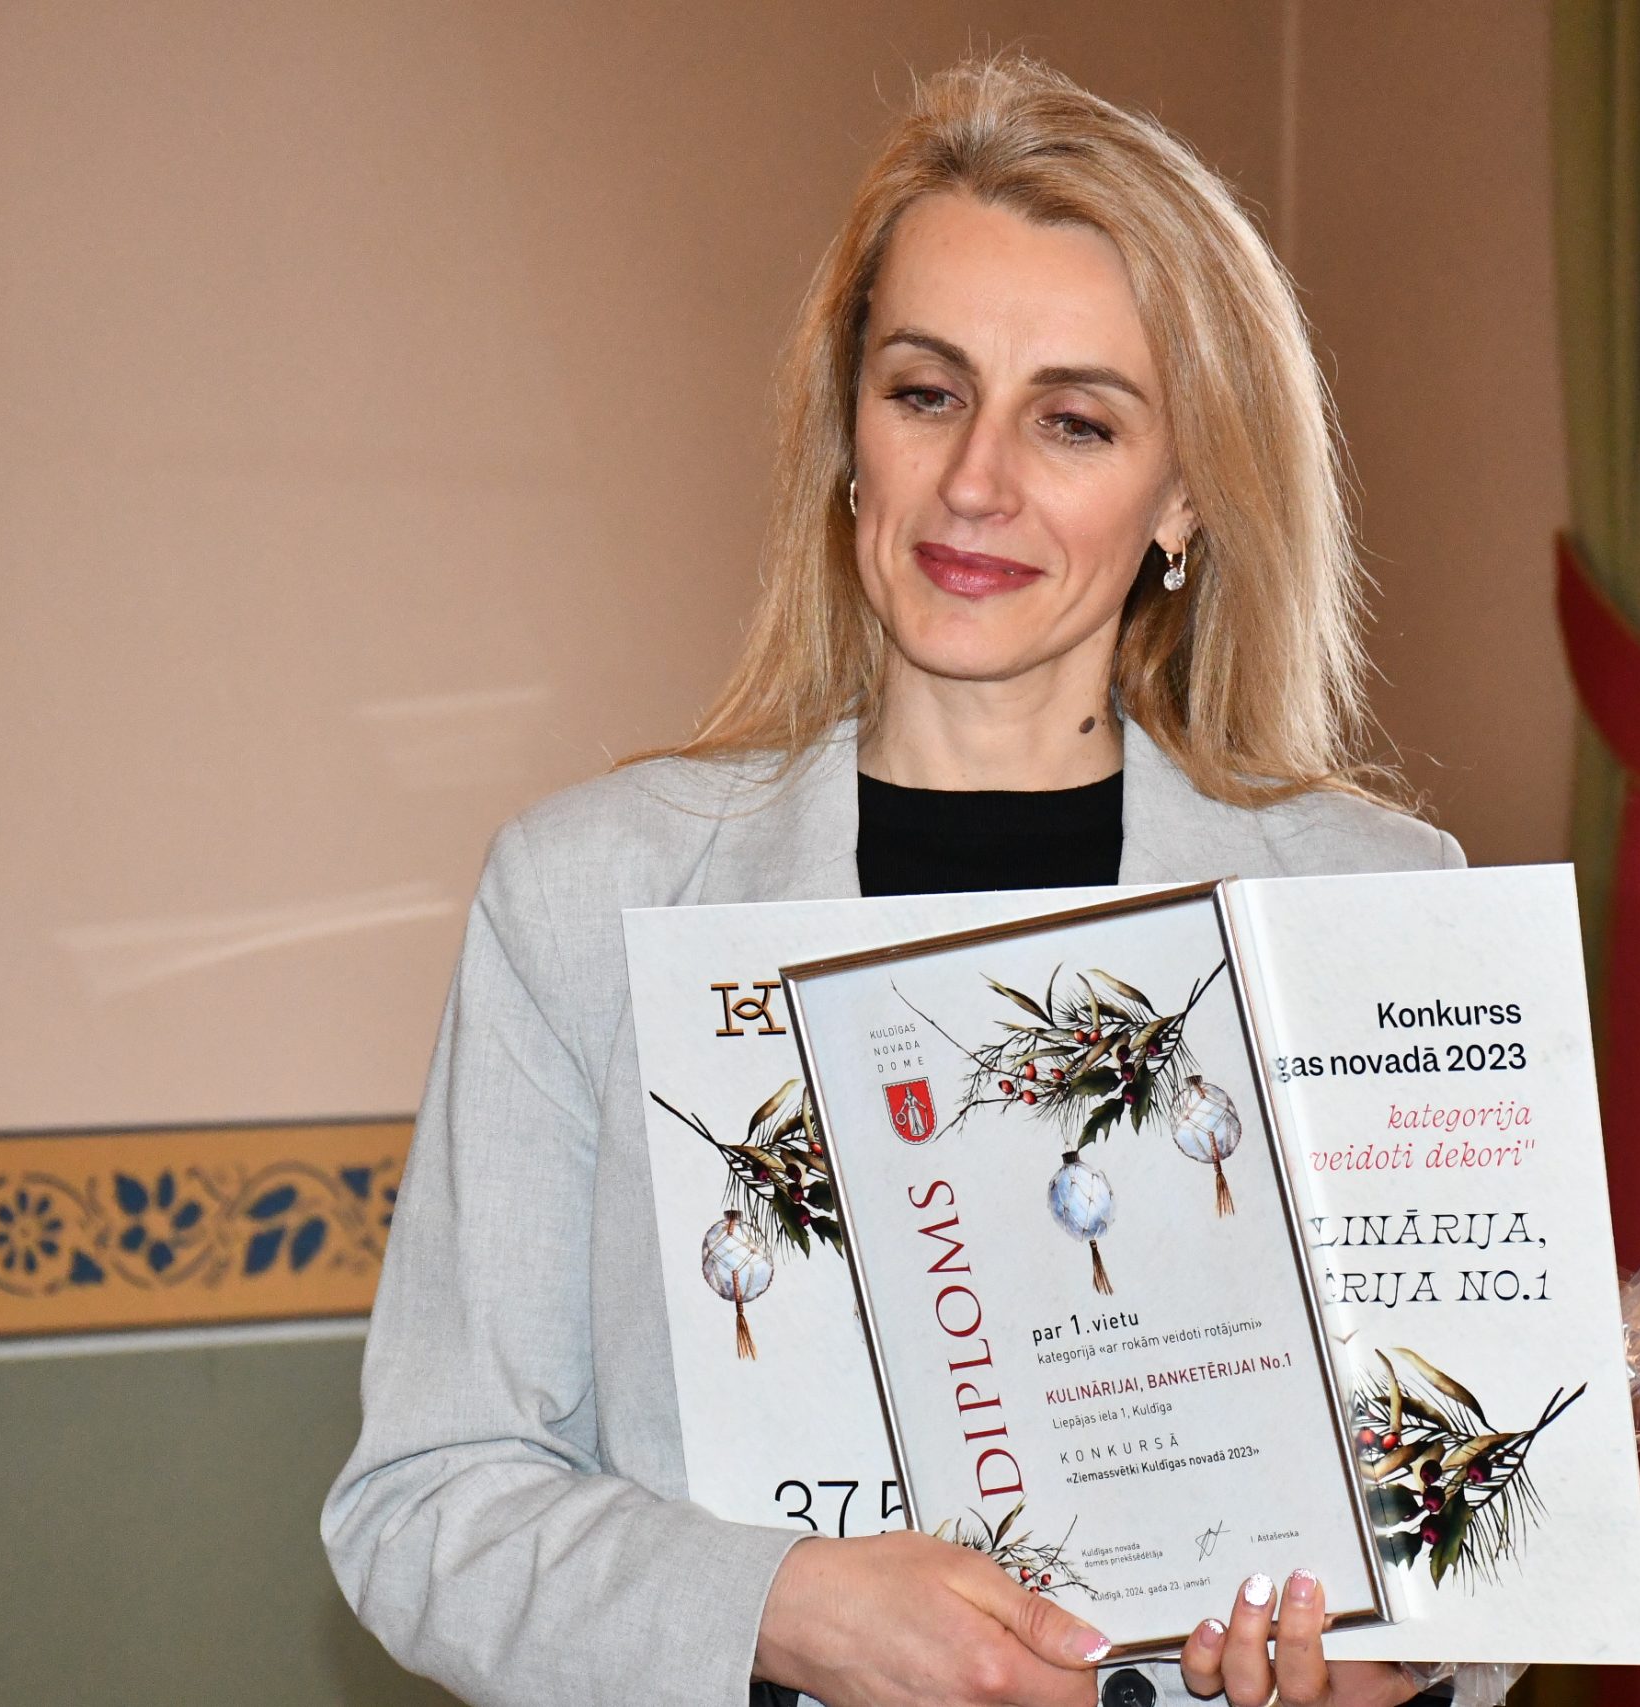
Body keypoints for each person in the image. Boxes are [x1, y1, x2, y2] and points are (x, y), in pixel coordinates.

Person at [323, 53, 1460, 1707]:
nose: (976, 481)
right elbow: (426, 1509)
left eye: (1073, 421)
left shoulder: (1373, 904)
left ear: (1187, 495)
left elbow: (1463, 1546)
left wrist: (1401, 1668)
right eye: (928, 393)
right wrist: (774, 1605)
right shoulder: (587, 900)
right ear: (850, 434)